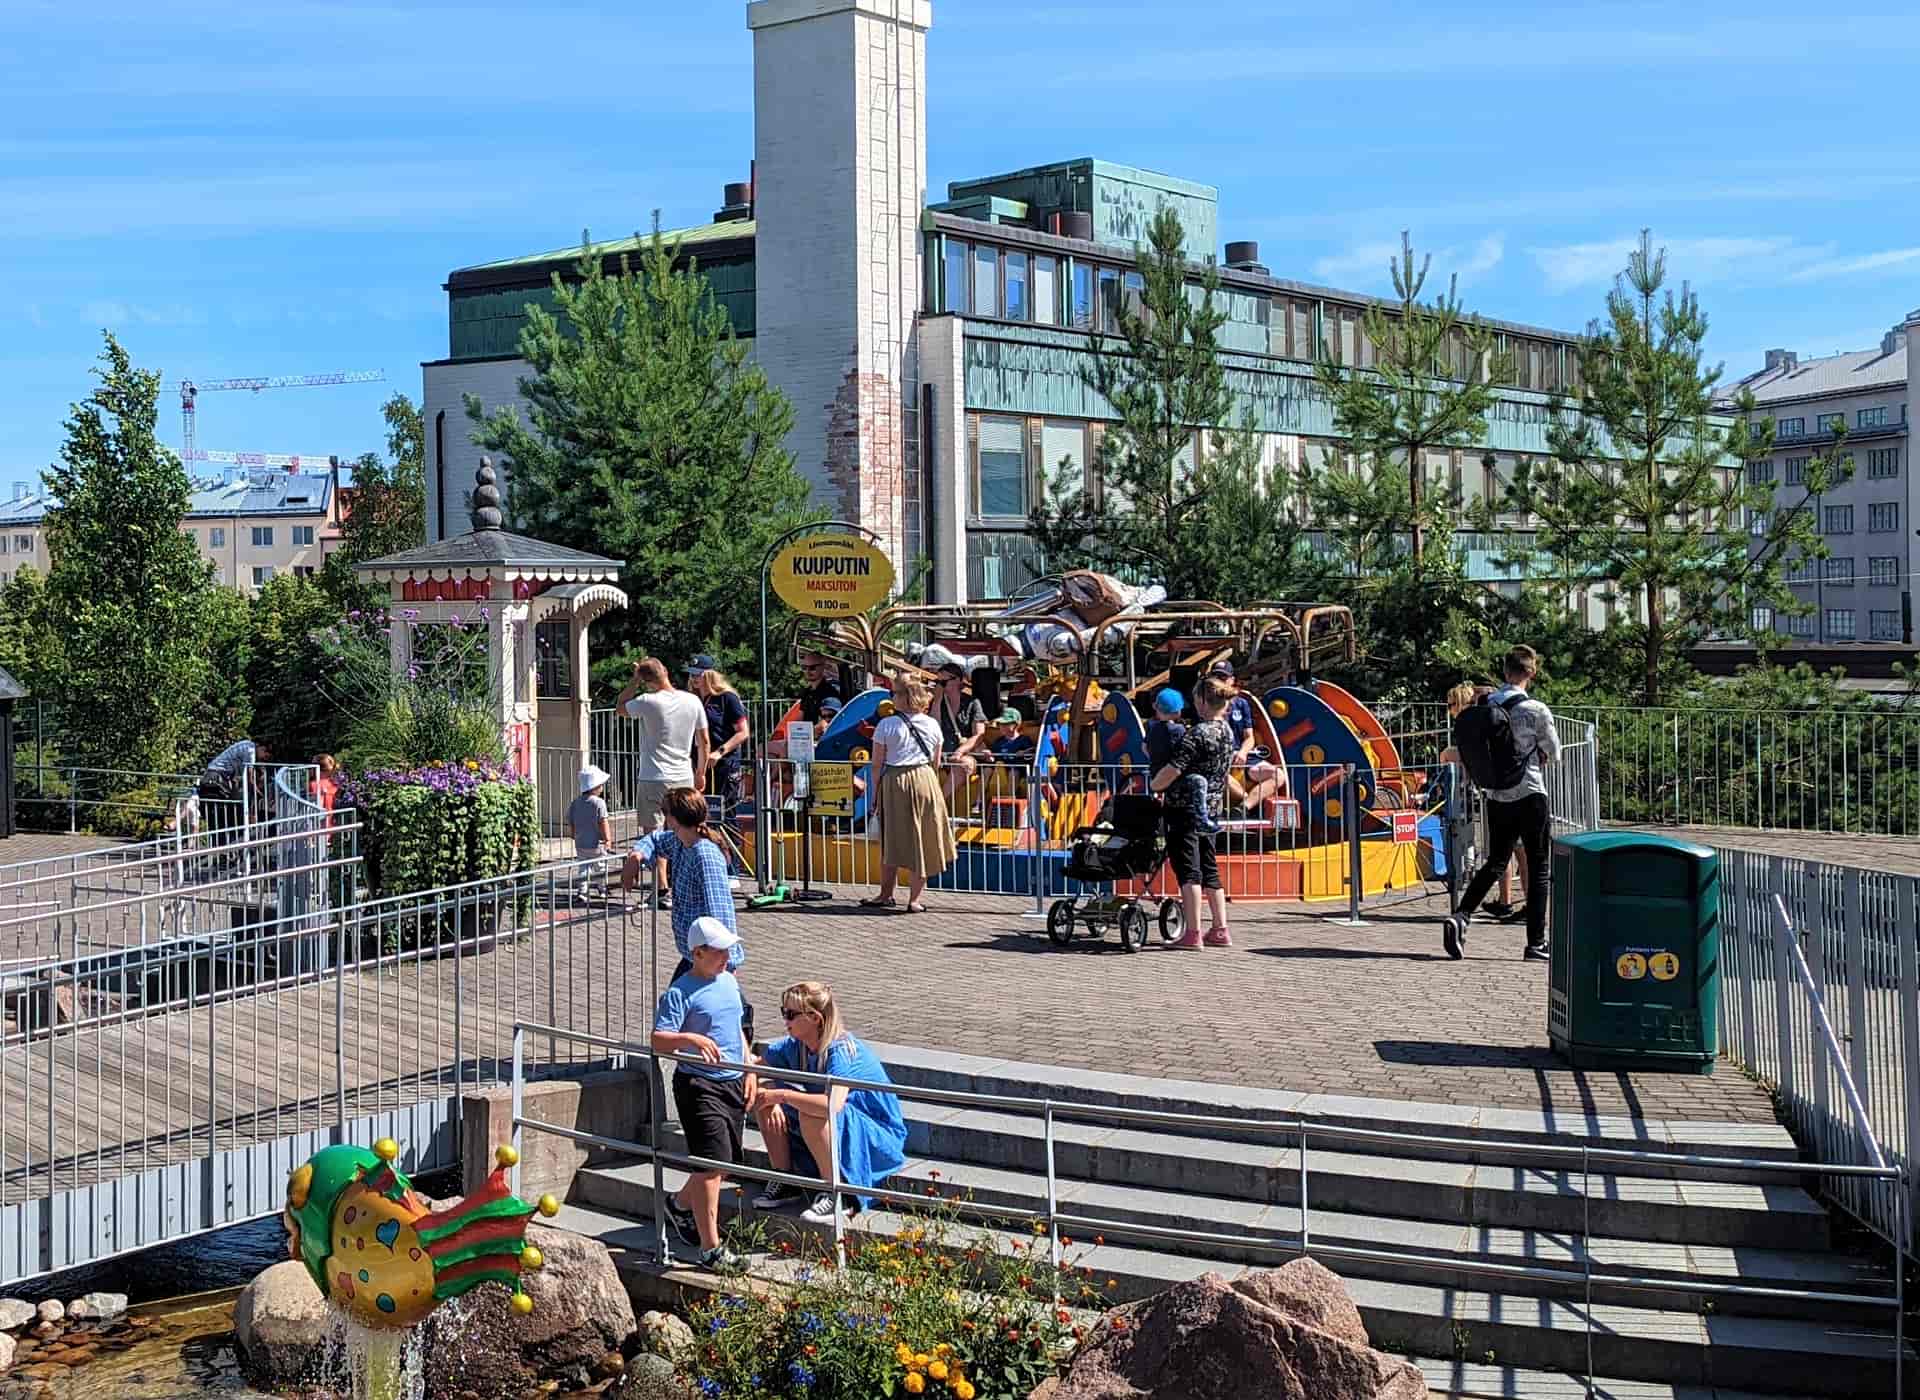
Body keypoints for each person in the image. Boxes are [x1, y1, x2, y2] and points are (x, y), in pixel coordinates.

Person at [751, 981, 908, 1225]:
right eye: (784, 1012)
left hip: (877, 1139)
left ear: (815, 1018)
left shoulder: (841, 1050)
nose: (785, 1019)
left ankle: (837, 1193)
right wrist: (768, 1089)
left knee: (810, 1111)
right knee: (766, 1100)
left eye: (791, 1014)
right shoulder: (796, 1045)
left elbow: (831, 1105)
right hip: (842, 1127)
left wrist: (781, 1096)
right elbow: (753, 1067)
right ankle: (785, 1178)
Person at [1441, 645, 1560, 962]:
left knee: (1495, 860)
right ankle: (1536, 943)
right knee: (1539, 866)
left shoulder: (1486, 704)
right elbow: (1554, 751)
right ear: (1531, 673)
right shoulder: (1536, 709)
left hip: (1496, 795)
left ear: (1505, 672)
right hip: (1530, 792)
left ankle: (1461, 915)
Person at [651, 919, 754, 1270]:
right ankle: (711, 1249)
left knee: (723, 1163)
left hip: (732, 1081)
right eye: (720, 951)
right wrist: (690, 1039)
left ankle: (679, 1205)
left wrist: (750, 1069)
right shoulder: (680, 992)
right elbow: (658, 1040)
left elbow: (737, 1029)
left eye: (728, 950)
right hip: (699, 1084)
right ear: (698, 953)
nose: (727, 956)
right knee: (711, 1163)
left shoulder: (729, 981)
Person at [623, 791, 746, 987]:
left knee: (677, 1002)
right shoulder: (680, 841)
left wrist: (727, 963)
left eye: (665, 814)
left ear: (673, 820)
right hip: (694, 955)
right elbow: (654, 839)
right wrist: (636, 855)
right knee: (676, 1001)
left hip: (710, 959)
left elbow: (721, 912)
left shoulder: (705, 856)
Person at [1150, 675, 1236, 949]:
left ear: (1201, 702)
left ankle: (1193, 932)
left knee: (1189, 871)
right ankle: (1220, 928)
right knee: (1210, 867)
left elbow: (1175, 768)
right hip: (1211, 810)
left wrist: (1155, 784)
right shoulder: (1227, 732)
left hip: (1184, 809)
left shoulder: (1197, 734)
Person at [616, 658, 709, 899]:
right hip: (683, 775)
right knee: (685, 829)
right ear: (666, 671)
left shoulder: (647, 701)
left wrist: (634, 681)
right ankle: (686, 881)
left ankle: (660, 886)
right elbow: (704, 741)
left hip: (653, 776)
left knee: (653, 834)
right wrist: (700, 772)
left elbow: (621, 707)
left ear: (646, 681)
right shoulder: (693, 701)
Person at [864, 674, 955, 913]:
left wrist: (875, 794)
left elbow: (876, 764)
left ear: (904, 696)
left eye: (894, 693)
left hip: (895, 781)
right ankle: (914, 900)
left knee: (891, 840)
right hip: (925, 778)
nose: (891, 697)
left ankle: (885, 894)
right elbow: (936, 761)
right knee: (923, 839)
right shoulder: (932, 724)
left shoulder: (886, 725)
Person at [689, 658, 750, 826]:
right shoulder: (692, 699)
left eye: (698, 674)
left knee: (724, 815)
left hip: (724, 763)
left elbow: (743, 732)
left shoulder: (727, 698)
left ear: (710, 675)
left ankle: (730, 843)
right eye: (692, 674)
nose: (694, 678)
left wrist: (720, 752)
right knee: (700, 814)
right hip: (699, 764)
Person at [934, 662, 988, 805]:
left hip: (965, 754)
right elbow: (933, 728)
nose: (940, 686)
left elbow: (979, 734)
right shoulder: (937, 702)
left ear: (957, 680)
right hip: (942, 754)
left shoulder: (972, 703)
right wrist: (937, 701)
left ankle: (937, 803)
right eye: (938, 682)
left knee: (963, 765)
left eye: (944, 682)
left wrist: (960, 751)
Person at [199, 738, 271, 835]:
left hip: (216, 774)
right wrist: (259, 794)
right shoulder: (251, 751)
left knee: (224, 811)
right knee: (223, 811)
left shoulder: (246, 746)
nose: (263, 758)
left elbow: (240, 777)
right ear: (261, 747)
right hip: (216, 777)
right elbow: (249, 779)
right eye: (265, 755)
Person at [570, 764, 614, 901]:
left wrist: (574, 835)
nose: (602, 788)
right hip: (597, 844)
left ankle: (582, 892)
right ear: (595, 787)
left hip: (581, 843)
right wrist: (608, 840)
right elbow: (603, 822)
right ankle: (602, 889)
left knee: (583, 868)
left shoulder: (576, 803)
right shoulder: (599, 803)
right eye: (601, 785)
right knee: (600, 867)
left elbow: (572, 822)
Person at [1210, 661, 1260, 768]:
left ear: (1232, 680)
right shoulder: (1205, 703)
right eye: (1215, 677)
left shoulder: (1241, 703)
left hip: (1238, 754)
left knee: (1276, 774)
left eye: (1223, 677)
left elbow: (1249, 737)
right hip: (1215, 757)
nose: (1219, 681)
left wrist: (1243, 752)